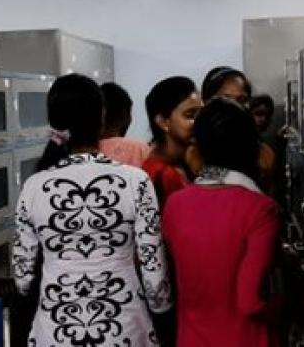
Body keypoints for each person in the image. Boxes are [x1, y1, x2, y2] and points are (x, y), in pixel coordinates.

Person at [13, 74, 172, 347]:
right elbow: (154, 278)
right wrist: (163, 315)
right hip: (124, 328)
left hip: (56, 332)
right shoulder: (136, 181)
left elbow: (23, 279)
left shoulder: (33, 187)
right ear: (102, 118)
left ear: (55, 123)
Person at [163, 98, 283, 347]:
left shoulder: (174, 204)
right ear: (251, 145)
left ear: (198, 147)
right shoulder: (260, 209)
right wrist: (285, 303)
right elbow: (250, 303)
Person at [195, 67, 275, 192]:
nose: (234, 107)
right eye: (226, 100)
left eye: (241, 100)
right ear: (206, 103)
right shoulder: (191, 155)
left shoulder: (264, 155)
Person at [142, 76, 203, 204]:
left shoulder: (190, 161)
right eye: (190, 115)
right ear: (163, 122)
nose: (199, 121)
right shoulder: (158, 174)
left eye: (201, 114)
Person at [99, 82, 152, 167]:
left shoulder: (83, 152)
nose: (131, 119)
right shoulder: (140, 149)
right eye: (130, 112)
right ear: (124, 114)